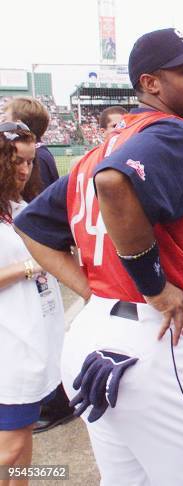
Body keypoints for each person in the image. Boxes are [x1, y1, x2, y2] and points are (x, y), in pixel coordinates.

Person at [14, 28, 183, 485]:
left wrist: (91, 292)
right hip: (153, 339)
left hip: (93, 331)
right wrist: (153, 285)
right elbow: (116, 184)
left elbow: (32, 223)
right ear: (151, 83)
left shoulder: (100, 147)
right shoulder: (174, 130)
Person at [3, 97, 72, 433]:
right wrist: (36, 264)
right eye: (16, 162)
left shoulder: (20, 204)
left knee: (20, 447)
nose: (24, 171)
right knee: (12, 444)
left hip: (35, 325)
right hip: (10, 341)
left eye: (30, 163)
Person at [3, 97, 59, 189]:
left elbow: (36, 200)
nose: (2, 124)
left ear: (18, 124)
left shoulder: (37, 158)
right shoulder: (40, 153)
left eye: (6, 120)